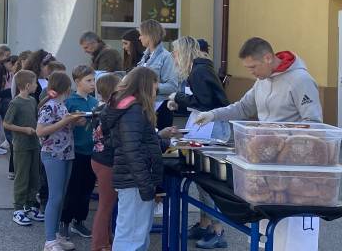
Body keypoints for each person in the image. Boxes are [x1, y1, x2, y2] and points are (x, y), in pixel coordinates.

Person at [195, 38, 322, 251]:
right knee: (263, 225)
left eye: (253, 67)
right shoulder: (261, 81)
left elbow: (313, 123)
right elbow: (243, 107)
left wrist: (283, 138)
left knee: (288, 230)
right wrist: (212, 115)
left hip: (291, 167)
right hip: (265, 163)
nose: (252, 72)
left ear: (267, 58)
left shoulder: (301, 80)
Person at [165, 36, 230, 249]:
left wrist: (178, 98)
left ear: (183, 53)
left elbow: (204, 102)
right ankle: (206, 223)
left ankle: (217, 229)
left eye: (175, 53)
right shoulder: (200, 69)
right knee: (202, 179)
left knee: (207, 180)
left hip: (212, 128)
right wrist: (180, 103)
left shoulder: (199, 71)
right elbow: (201, 101)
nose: (173, 57)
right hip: (207, 125)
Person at [100, 67, 163, 251]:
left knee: (135, 233)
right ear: (145, 85)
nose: (156, 91)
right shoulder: (134, 110)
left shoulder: (128, 107)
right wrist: (145, 184)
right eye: (154, 87)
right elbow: (132, 150)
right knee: (132, 236)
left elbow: (135, 143)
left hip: (132, 179)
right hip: (134, 181)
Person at [37, 71, 85, 251]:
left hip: (65, 153)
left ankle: (55, 234)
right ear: (65, 88)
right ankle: (49, 240)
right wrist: (65, 121)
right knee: (55, 197)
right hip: (53, 154)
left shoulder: (61, 104)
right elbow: (40, 131)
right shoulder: (49, 106)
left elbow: (61, 126)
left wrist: (73, 121)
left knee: (61, 196)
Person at [61, 65, 99, 240]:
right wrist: (72, 122)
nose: (93, 84)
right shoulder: (70, 102)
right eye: (89, 80)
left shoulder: (94, 102)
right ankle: (65, 222)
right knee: (73, 188)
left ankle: (79, 221)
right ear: (77, 82)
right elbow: (60, 125)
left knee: (87, 188)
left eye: (93, 80)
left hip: (92, 151)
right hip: (75, 151)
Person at [3, 69, 44, 227]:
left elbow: (36, 118)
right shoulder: (15, 102)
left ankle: (31, 205)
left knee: (34, 176)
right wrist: (24, 129)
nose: (36, 85)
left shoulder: (33, 101)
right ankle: (18, 209)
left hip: (34, 144)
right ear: (27, 85)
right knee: (22, 177)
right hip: (21, 146)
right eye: (34, 83)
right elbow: (6, 123)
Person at [90, 73, 122, 251]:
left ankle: (106, 241)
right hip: (107, 162)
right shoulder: (110, 111)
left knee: (107, 204)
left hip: (98, 158)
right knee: (105, 206)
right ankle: (99, 244)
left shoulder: (98, 107)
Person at [137, 19, 178, 130]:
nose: (139, 38)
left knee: (160, 144)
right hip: (145, 107)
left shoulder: (166, 57)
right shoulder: (145, 57)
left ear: (149, 36)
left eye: (141, 35)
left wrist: (151, 87)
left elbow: (173, 86)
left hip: (161, 108)